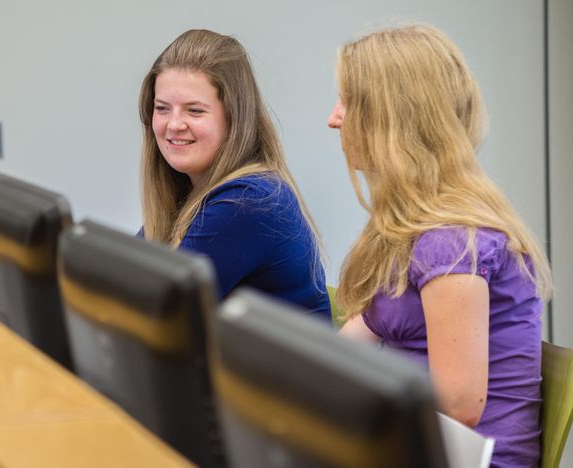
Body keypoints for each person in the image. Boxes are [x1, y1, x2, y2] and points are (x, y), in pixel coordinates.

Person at [328, 24, 553, 467]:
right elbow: (345, 350)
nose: (334, 117)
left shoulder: (450, 241)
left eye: (349, 103)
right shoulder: (409, 228)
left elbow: (459, 406)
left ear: (392, 119)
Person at [138, 29, 330, 318]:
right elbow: (126, 280)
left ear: (234, 119)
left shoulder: (248, 202)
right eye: (162, 108)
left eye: (194, 110)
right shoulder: (186, 193)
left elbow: (157, 310)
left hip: (271, 365)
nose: (173, 124)